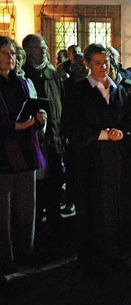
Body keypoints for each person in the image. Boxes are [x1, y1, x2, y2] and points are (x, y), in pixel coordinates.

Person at [61, 43, 131, 274]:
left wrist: (123, 134)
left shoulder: (120, 90)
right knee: (94, 207)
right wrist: (103, 134)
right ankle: (93, 256)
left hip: (117, 161)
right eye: (97, 63)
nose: (103, 67)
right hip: (91, 162)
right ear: (86, 63)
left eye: (106, 62)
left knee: (117, 205)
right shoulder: (78, 92)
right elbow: (71, 127)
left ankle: (116, 252)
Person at [0, 36, 47, 277]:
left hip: (26, 153)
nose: (11, 58)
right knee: (4, 212)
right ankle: (6, 259)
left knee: (26, 208)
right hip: (4, 157)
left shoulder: (20, 83)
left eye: (12, 53)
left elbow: (27, 107)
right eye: (5, 53)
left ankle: (25, 252)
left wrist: (37, 117)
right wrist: (12, 127)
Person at [22, 34, 65, 228]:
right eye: (39, 48)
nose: (44, 52)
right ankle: (36, 221)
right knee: (37, 184)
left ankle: (55, 217)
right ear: (28, 51)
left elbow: (61, 101)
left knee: (55, 179)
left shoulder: (51, 72)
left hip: (54, 135)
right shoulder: (24, 74)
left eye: (45, 48)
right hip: (32, 137)